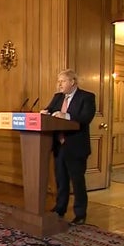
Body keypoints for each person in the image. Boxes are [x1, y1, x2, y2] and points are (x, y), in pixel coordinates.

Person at [40, 69, 95, 225]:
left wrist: (67, 116)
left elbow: (85, 118)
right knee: (61, 179)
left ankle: (80, 213)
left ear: (72, 82)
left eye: (62, 81)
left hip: (76, 146)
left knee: (77, 181)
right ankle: (60, 208)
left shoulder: (87, 97)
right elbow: (50, 111)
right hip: (59, 145)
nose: (59, 84)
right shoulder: (58, 97)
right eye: (58, 81)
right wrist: (44, 113)